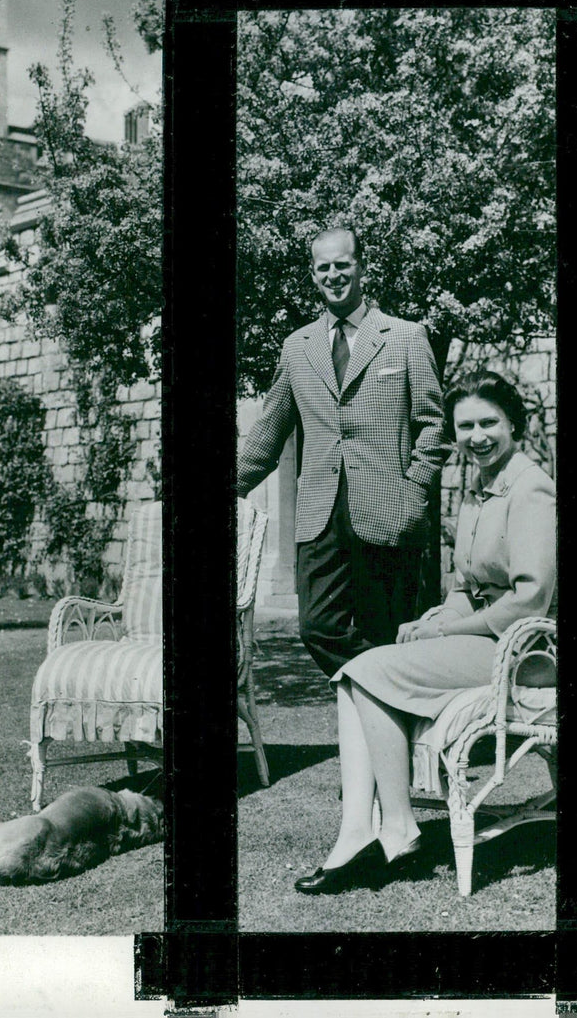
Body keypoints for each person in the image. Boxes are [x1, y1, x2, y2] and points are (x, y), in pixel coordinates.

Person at [293, 369, 556, 894]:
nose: (476, 436)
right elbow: (467, 582)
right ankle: (364, 831)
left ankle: (395, 827)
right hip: (485, 640)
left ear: (515, 425)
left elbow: (530, 597)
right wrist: (435, 618)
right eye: (465, 426)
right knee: (355, 674)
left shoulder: (531, 488)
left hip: (526, 651)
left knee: (363, 670)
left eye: (489, 423)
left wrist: (451, 628)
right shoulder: (480, 485)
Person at [237, 228, 446, 677]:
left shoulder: (406, 337)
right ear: (313, 274)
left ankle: (384, 737)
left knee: (385, 629)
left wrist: (414, 491)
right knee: (317, 626)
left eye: (342, 264)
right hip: (320, 515)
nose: (334, 274)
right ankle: (386, 688)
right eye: (323, 267)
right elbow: (268, 433)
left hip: (389, 509)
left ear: (361, 267)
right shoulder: (298, 347)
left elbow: (431, 425)